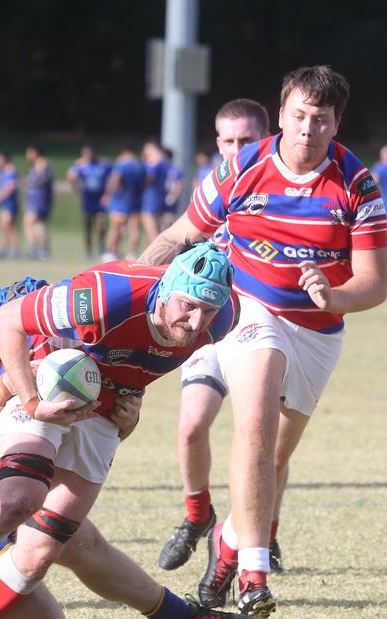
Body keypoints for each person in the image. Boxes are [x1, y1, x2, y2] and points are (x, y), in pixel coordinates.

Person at [0, 244, 241, 619]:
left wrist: (123, 415)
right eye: (54, 331)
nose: (71, 342)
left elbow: (123, 371)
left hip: (1, 489)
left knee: (77, 541)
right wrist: (12, 391)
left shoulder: (208, 323)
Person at [141, 66, 387, 617]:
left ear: (335, 123)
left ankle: (228, 542)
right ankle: (254, 571)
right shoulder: (240, 167)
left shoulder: (356, 183)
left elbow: (375, 284)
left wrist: (334, 296)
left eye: (320, 120)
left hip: (319, 332)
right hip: (249, 310)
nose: (307, 129)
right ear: (281, 115)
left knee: (275, 456)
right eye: (298, 116)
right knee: (253, 423)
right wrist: (127, 280)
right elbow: (181, 234)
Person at [155, 97, 270, 573]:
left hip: (264, 329)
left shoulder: (280, 188)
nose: (237, 149)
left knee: (263, 440)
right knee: (190, 426)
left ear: (266, 139)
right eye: (229, 141)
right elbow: (180, 239)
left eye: (247, 140)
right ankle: (197, 516)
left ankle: (262, 533)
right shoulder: (213, 189)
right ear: (217, 142)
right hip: (210, 326)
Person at [101, 146, 145, 261]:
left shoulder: (122, 164)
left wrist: (107, 194)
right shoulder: (141, 165)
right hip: (135, 201)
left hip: (121, 201)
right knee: (134, 228)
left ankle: (111, 252)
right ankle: (132, 253)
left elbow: (116, 179)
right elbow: (146, 182)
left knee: (115, 227)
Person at [66, 146, 111, 260]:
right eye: (85, 155)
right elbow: (70, 177)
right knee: (88, 226)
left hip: (100, 199)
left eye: (89, 154)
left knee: (101, 224)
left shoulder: (103, 165)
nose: (88, 157)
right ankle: (89, 250)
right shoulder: (81, 166)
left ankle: (101, 246)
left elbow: (113, 177)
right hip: (87, 199)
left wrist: (107, 195)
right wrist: (76, 190)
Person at [23, 146, 53, 260]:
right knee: (38, 224)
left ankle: (36, 248)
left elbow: (40, 181)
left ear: (35, 153)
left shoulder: (41, 164)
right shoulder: (36, 165)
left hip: (39, 200)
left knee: (31, 222)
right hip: (35, 200)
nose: (27, 156)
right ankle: (42, 250)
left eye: (29, 153)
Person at [0, 151, 20, 260]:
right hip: (6, 203)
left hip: (10, 203)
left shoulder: (10, 170)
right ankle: (13, 250)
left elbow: (11, 187)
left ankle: (7, 250)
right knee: (9, 227)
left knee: (6, 226)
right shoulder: (3, 171)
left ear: (4, 159)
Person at [140, 139, 170, 243]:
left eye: (148, 149)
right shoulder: (164, 162)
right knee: (156, 228)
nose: (145, 151)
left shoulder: (155, 164)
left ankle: (157, 256)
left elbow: (149, 179)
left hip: (151, 198)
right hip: (159, 197)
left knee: (151, 229)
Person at [162, 146, 185, 229]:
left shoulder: (175, 169)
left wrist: (173, 196)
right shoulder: (162, 167)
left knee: (169, 217)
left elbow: (180, 184)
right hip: (161, 195)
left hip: (170, 196)